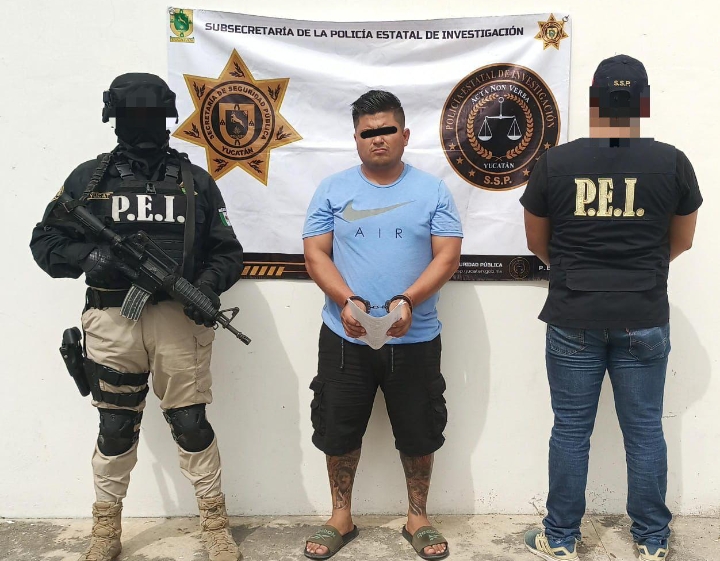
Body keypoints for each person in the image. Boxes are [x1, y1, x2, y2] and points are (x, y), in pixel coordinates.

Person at [29, 73, 244, 561]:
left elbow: (227, 252)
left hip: (178, 321)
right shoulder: (89, 180)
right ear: (115, 119)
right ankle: (105, 528)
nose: (143, 126)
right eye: (133, 117)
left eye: (152, 117)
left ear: (167, 119)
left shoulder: (195, 181)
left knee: (190, 423)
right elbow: (45, 241)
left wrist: (206, 288)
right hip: (112, 319)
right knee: (115, 426)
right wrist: (90, 257)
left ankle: (214, 524)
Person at [520, 55, 701, 561]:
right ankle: (652, 540)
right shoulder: (672, 163)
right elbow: (682, 241)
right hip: (643, 312)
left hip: (574, 313)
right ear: (644, 103)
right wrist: (637, 269)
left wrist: (578, 269)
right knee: (645, 430)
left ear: (594, 101)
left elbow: (536, 242)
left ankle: (560, 538)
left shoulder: (556, 163)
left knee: (571, 430)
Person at [302, 90, 463, 560]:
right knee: (337, 428)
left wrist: (408, 300)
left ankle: (418, 519)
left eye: (387, 130)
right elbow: (315, 254)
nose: (378, 139)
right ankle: (340, 517)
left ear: (405, 134)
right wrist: (346, 300)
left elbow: (447, 256)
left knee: (419, 430)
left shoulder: (433, 191)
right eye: (367, 132)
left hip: (415, 336)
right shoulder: (331, 190)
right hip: (344, 336)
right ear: (355, 138)